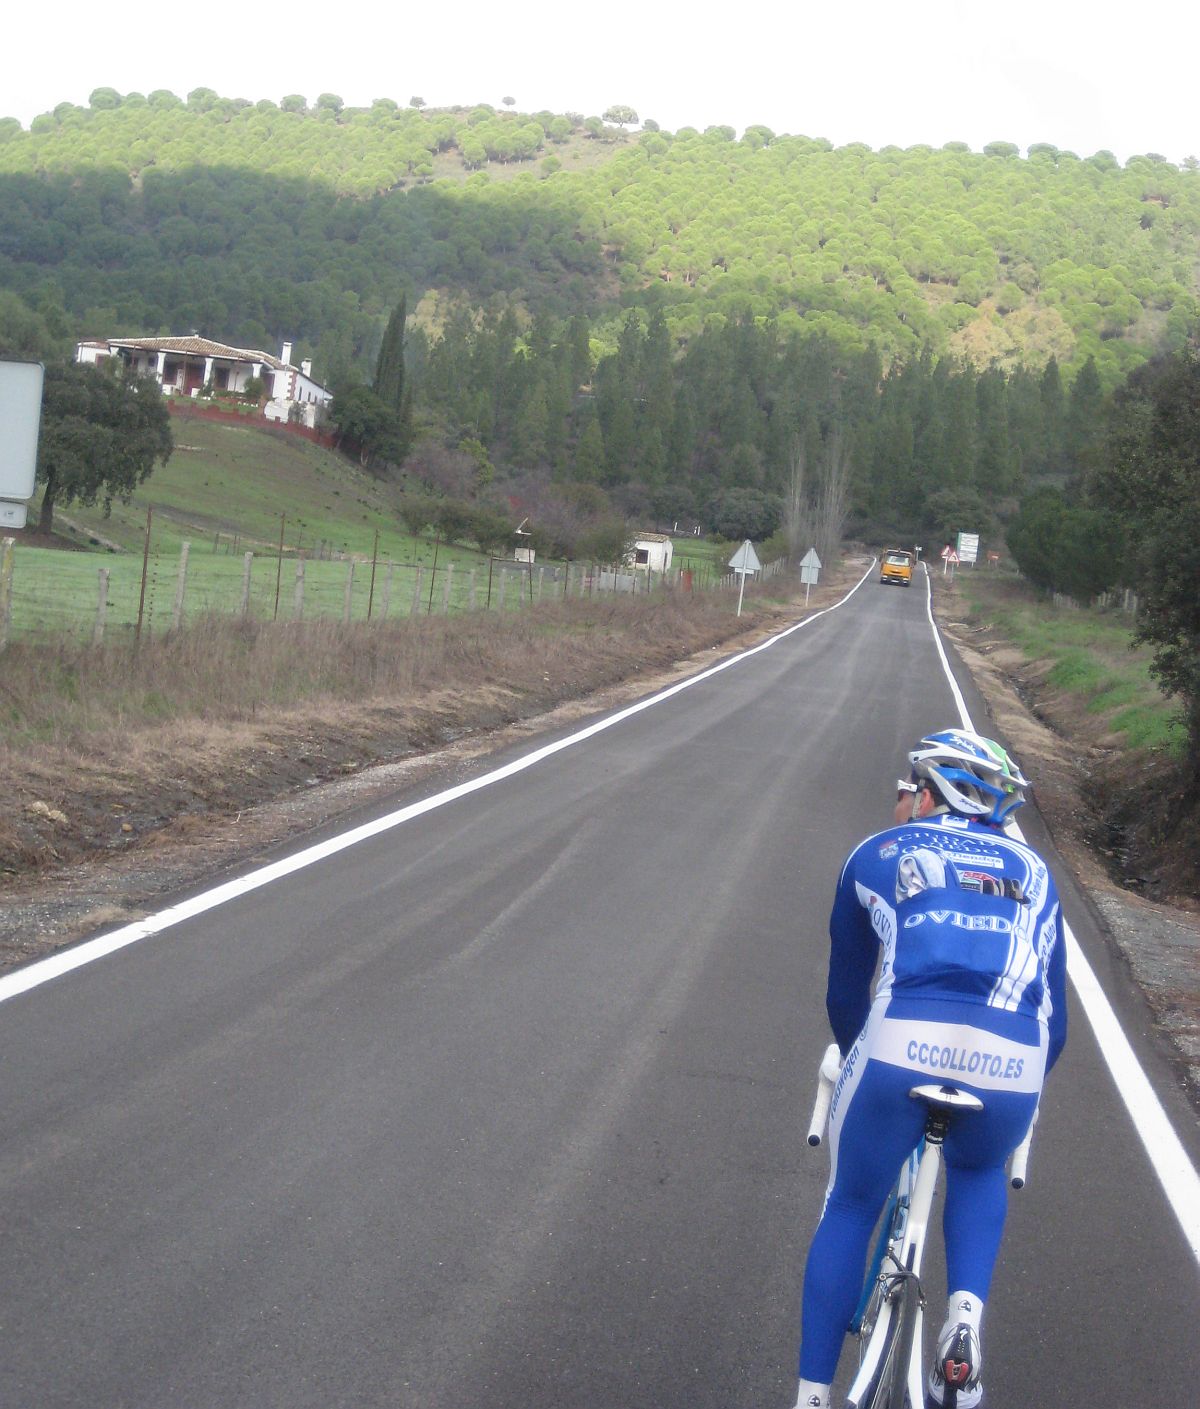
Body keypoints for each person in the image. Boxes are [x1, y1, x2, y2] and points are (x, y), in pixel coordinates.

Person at [793, 729, 1067, 1409]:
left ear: (927, 792)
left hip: (901, 1044)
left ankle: (813, 1396)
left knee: (852, 1203)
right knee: (978, 1169)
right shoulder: (1036, 872)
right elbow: (1056, 1026)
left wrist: (856, 1064)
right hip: (1014, 1058)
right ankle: (963, 1323)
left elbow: (844, 994)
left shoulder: (877, 851)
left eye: (906, 787)